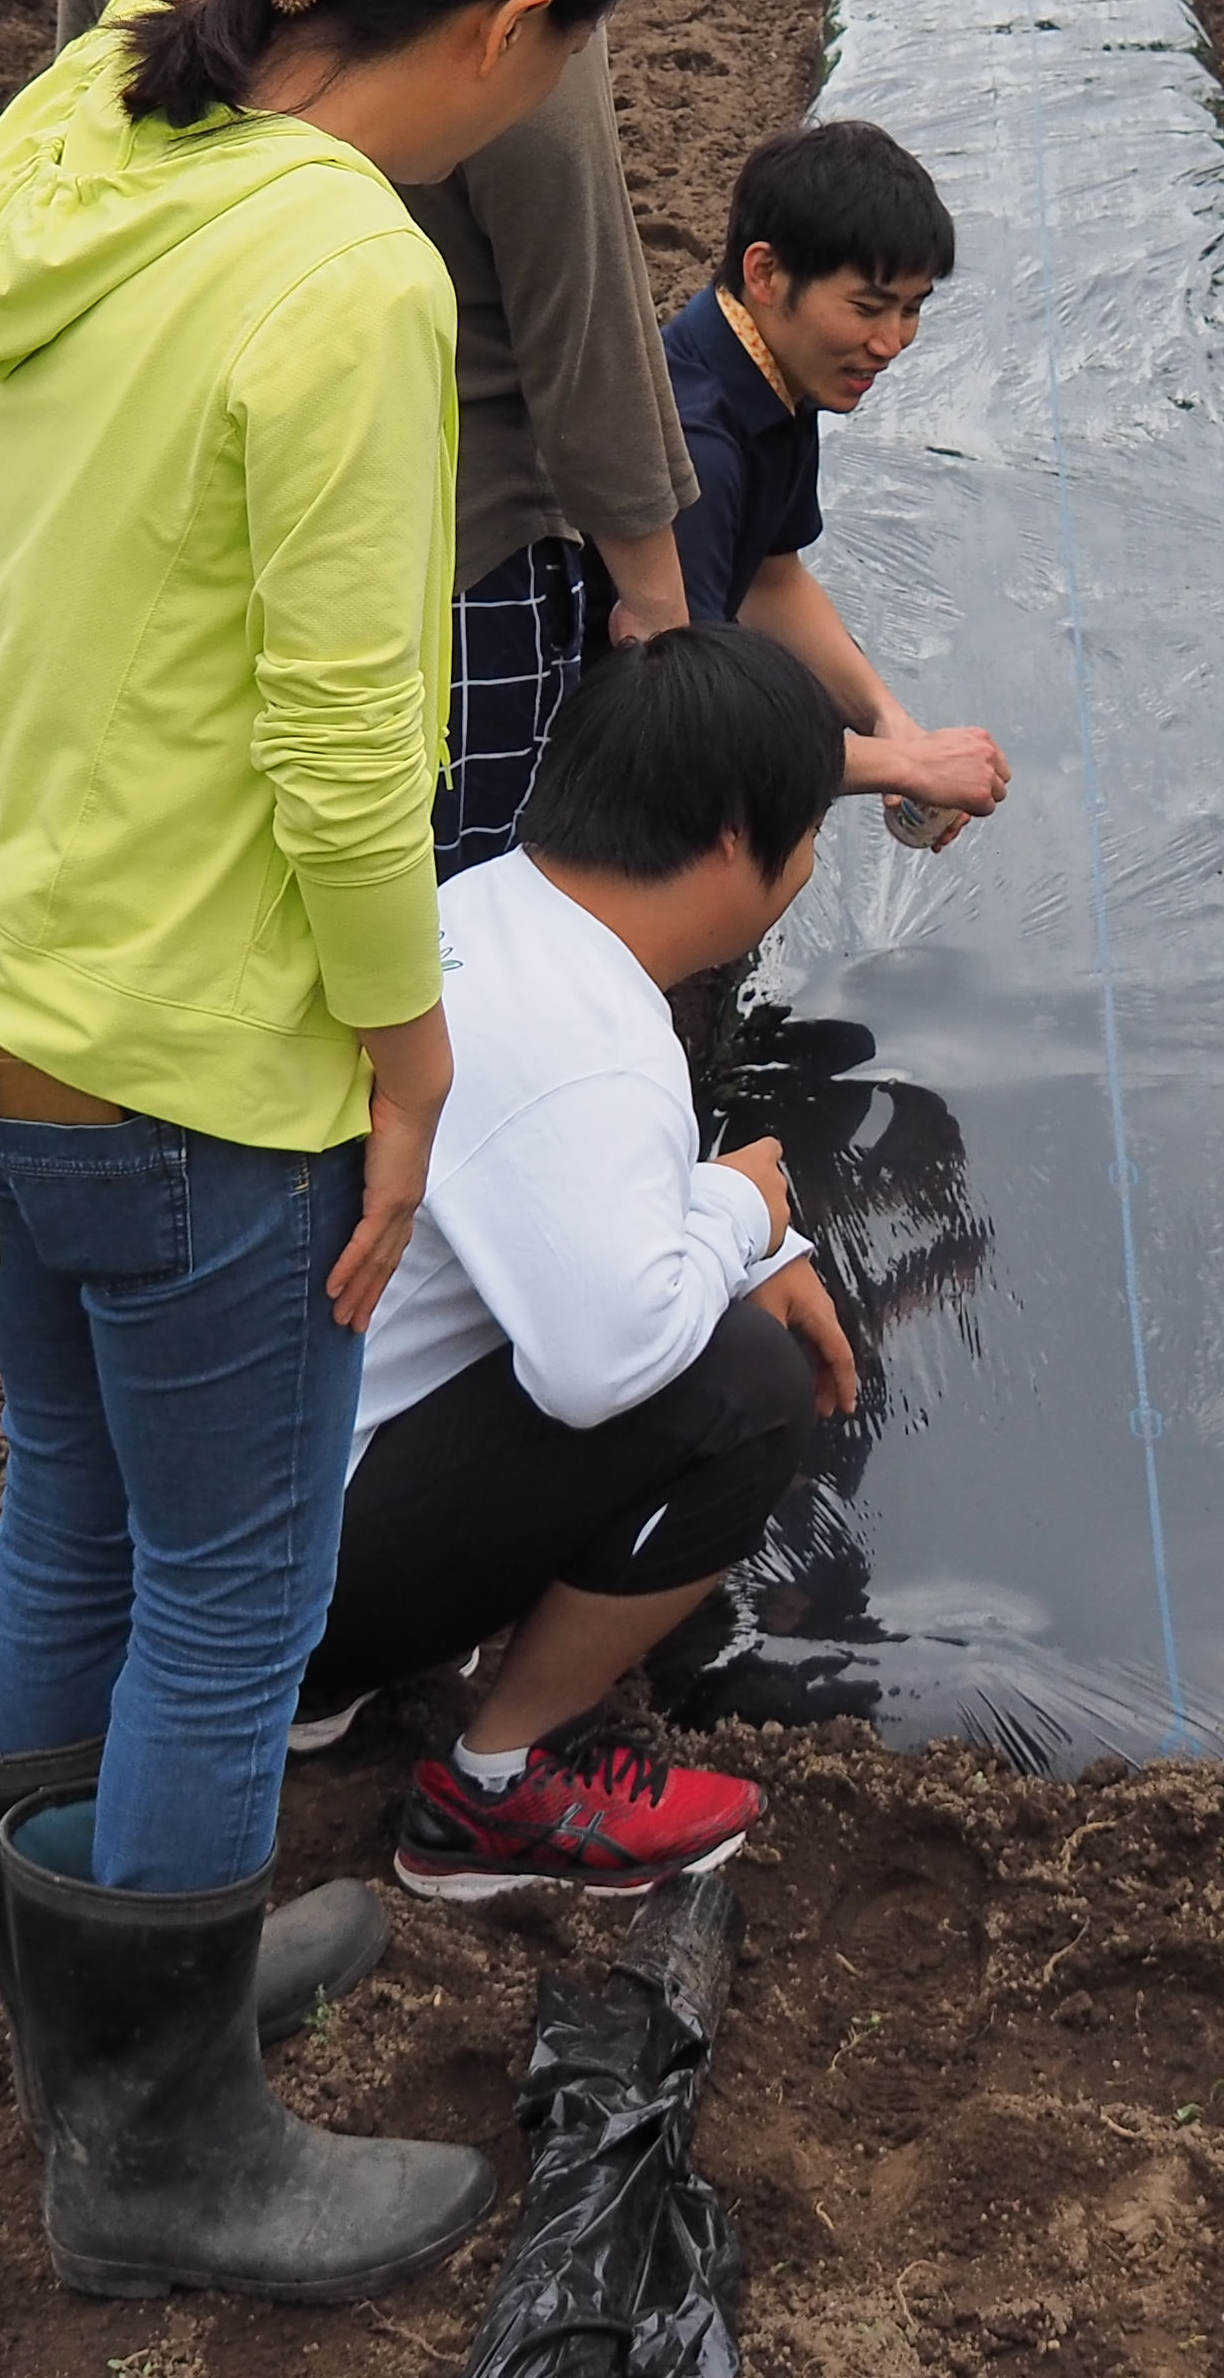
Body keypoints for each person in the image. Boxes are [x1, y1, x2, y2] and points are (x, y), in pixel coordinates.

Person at [0, 0, 652, 2305]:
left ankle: (111, 1978)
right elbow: (348, 754)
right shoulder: (345, 274)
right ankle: (161, 2144)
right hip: (175, 1046)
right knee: (230, 1574)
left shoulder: (94, 103)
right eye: (567, 61)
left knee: (75, 1492)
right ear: (518, 25)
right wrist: (404, 1055)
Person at [58, 0, 701, 880]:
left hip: (174, 537)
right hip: (438, 554)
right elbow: (571, 274)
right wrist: (652, 583)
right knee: (426, 941)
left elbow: (82, 158)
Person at [286, 620, 865, 1896]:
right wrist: (737, 1219)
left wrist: (728, 1223)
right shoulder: (594, 1044)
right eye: (811, 830)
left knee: (698, 1312)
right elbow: (607, 1365)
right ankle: (500, 1785)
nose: (814, 861)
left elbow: (572, 1177)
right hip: (294, 1576)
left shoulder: (488, 910)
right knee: (743, 1385)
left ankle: (319, 1686)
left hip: (246, 1501)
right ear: (732, 839)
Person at [666, 120, 1012, 835]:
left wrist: (889, 722)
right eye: (867, 307)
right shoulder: (695, 442)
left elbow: (769, 579)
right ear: (765, 274)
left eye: (912, 309)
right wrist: (899, 768)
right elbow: (683, 721)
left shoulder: (780, 377)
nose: (890, 343)